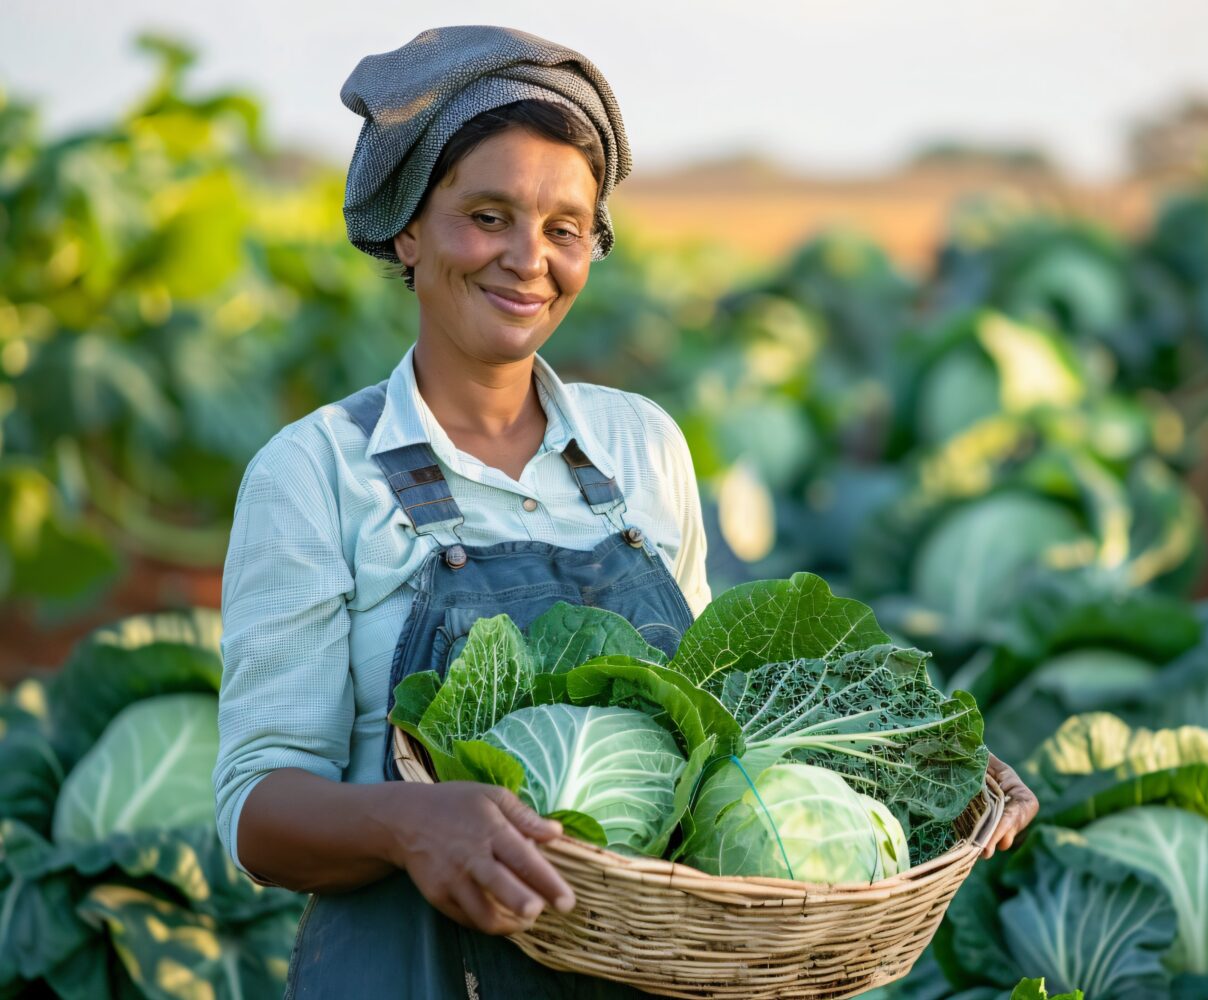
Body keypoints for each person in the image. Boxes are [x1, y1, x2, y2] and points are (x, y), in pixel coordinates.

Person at [212, 24, 1039, 999]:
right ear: (408, 226)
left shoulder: (642, 444)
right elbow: (257, 814)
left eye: (566, 228)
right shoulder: (316, 472)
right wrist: (409, 822)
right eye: (487, 215)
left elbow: (703, 715)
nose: (530, 259)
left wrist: (899, 760)